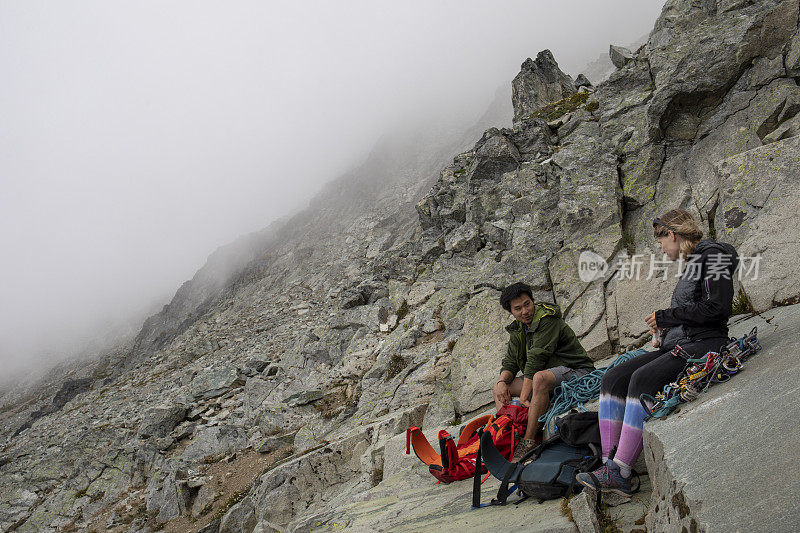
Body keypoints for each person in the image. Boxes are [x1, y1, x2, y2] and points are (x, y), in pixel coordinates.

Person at [576, 208, 739, 496]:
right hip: (682, 342)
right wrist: (665, 329)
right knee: (613, 378)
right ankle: (608, 464)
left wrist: (666, 317)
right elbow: (693, 310)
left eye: (661, 241)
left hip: (705, 344)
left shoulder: (714, 256)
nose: (662, 249)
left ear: (672, 235)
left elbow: (718, 308)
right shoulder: (693, 262)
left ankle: (621, 472)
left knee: (640, 379)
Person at [493, 282, 595, 461]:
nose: (525, 311)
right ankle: (510, 431)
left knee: (539, 378)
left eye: (527, 304)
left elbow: (535, 361)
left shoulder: (547, 319)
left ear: (533, 301)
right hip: (550, 377)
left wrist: (524, 397)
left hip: (577, 371)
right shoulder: (518, 329)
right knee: (500, 388)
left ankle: (529, 442)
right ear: (511, 312)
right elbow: (510, 363)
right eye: (518, 308)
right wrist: (502, 382)